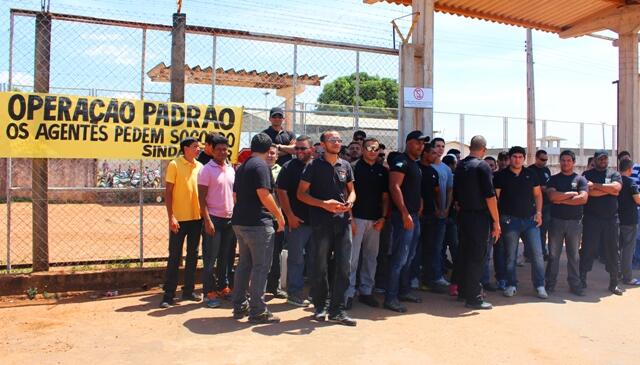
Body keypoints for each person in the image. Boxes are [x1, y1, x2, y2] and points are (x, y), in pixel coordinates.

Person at [297, 130, 357, 326]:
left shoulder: (345, 165)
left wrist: (349, 202)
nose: (337, 143)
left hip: (343, 223)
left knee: (344, 267)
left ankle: (337, 310)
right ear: (322, 144)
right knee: (320, 266)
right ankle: (320, 307)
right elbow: (301, 195)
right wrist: (324, 204)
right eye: (332, 140)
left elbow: (352, 191)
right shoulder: (313, 165)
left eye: (339, 140)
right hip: (321, 224)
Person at [231, 133, 286, 324]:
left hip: (240, 221)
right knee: (261, 267)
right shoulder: (262, 166)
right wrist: (279, 216)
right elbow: (264, 194)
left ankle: (239, 304)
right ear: (268, 147)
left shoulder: (244, 166)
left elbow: (236, 195)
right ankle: (258, 310)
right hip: (258, 224)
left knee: (244, 265)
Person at [452, 135, 500, 310]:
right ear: (484, 149)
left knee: (465, 253)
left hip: (463, 215)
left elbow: (455, 194)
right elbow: (490, 197)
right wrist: (496, 221)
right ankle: (474, 297)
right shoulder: (482, 166)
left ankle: (464, 290)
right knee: (477, 256)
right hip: (479, 217)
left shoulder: (461, 166)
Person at [493, 146, 547, 299]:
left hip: (530, 220)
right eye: (514, 156)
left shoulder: (531, 174)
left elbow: (538, 195)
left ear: (524, 158)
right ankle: (511, 284)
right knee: (511, 255)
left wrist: (539, 212)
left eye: (520, 157)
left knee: (537, 254)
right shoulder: (501, 176)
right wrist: (496, 220)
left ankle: (539, 285)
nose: (517, 159)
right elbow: (495, 199)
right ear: (510, 158)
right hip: (509, 221)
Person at [385, 130, 427, 313]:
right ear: (409, 142)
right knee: (399, 258)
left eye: (423, 143)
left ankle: (403, 291)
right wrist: (404, 213)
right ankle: (391, 297)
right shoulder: (401, 161)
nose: (421, 146)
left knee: (409, 257)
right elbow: (394, 186)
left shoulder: (414, 164)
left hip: (413, 216)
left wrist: (419, 204)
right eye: (418, 142)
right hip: (404, 217)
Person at [346, 137, 389, 309]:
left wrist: (383, 218)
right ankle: (347, 294)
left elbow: (385, 197)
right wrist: (350, 219)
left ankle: (366, 291)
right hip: (356, 219)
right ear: (363, 149)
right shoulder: (353, 167)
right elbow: (346, 193)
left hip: (376, 221)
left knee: (371, 258)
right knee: (352, 259)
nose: (373, 151)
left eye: (376, 148)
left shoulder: (382, 171)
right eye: (369, 148)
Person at [160, 137, 203, 308]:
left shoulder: (200, 166)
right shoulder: (174, 164)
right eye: (195, 147)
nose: (198, 149)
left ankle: (189, 291)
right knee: (175, 256)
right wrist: (171, 217)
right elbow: (168, 193)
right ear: (185, 148)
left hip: (196, 218)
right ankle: (168, 295)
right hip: (179, 219)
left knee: (193, 255)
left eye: (198, 147)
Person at [276, 135, 314, 307]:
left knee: (317, 259)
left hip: (317, 222)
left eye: (302, 148)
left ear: (311, 150)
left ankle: (316, 294)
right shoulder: (288, 167)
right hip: (297, 222)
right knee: (296, 260)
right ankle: (295, 294)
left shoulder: (318, 166)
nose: (298, 152)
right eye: (296, 148)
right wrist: (289, 216)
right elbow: (281, 192)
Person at [198, 134, 235, 308]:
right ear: (212, 150)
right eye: (218, 149)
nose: (222, 152)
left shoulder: (230, 169)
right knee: (210, 258)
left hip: (229, 219)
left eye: (224, 149)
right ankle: (208, 292)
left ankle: (223, 287)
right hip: (213, 219)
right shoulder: (206, 170)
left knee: (225, 258)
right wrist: (207, 220)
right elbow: (201, 198)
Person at [544, 150, 589, 296]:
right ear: (560, 161)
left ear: (573, 162)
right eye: (563, 160)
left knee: (574, 256)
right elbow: (551, 196)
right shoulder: (554, 179)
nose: (565, 163)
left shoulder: (580, 180)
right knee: (553, 255)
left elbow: (583, 199)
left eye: (569, 160)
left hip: (575, 224)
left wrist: (560, 198)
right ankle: (550, 284)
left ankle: (575, 285)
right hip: (556, 222)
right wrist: (570, 195)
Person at [580, 150, 624, 295]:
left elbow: (617, 189)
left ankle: (614, 283)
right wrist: (608, 190)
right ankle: (582, 280)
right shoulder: (587, 175)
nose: (603, 161)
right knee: (587, 250)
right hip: (592, 219)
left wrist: (596, 186)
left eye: (605, 159)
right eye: (600, 159)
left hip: (611, 220)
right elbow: (589, 193)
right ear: (595, 160)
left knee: (612, 251)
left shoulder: (614, 174)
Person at [426, 137, 454, 292]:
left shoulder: (446, 169)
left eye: (443, 146)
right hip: (427, 213)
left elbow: (450, 189)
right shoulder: (424, 167)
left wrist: (447, 207)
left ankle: (437, 276)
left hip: (443, 215)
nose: (440, 149)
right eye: (437, 146)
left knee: (438, 247)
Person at [416, 143, 441, 291]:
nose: (435, 155)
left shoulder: (433, 172)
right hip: (416, 215)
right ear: (424, 153)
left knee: (429, 248)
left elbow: (436, 193)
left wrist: (438, 208)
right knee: (414, 250)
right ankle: (412, 279)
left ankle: (427, 281)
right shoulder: (415, 168)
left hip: (431, 215)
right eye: (432, 152)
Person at [265, 145, 287, 299]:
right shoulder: (257, 168)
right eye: (268, 153)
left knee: (276, 252)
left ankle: (274, 287)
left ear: (277, 156)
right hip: (260, 217)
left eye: (273, 153)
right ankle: (256, 287)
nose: (270, 155)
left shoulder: (282, 171)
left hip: (277, 217)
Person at [617, 158, 640, 286]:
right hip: (630, 220)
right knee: (628, 250)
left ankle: (618, 273)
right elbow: (638, 200)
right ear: (630, 169)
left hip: (617, 219)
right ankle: (627, 277)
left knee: (618, 248)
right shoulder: (631, 182)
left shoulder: (616, 181)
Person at [528, 150, 552, 260]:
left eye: (546, 160)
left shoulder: (546, 170)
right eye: (542, 159)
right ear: (536, 158)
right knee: (531, 230)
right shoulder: (530, 170)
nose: (544, 162)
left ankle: (542, 251)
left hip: (546, 204)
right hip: (533, 205)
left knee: (543, 230)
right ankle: (530, 254)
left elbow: (548, 185)